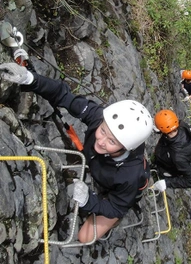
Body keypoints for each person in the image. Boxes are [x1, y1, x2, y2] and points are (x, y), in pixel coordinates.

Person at [0, 60, 153, 243]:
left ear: (126, 147)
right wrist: (30, 79)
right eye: (103, 130)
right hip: (102, 169)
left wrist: (89, 201)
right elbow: (64, 95)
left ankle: (112, 222)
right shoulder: (100, 118)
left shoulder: (130, 175)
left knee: (84, 237)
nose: (100, 141)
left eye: (111, 141)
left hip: (120, 192)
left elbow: (117, 207)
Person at [152, 109, 191, 192]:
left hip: (168, 167)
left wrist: (167, 183)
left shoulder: (178, 157)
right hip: (170, 152)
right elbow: (169, 128)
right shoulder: (182, 125)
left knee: (163, 172)